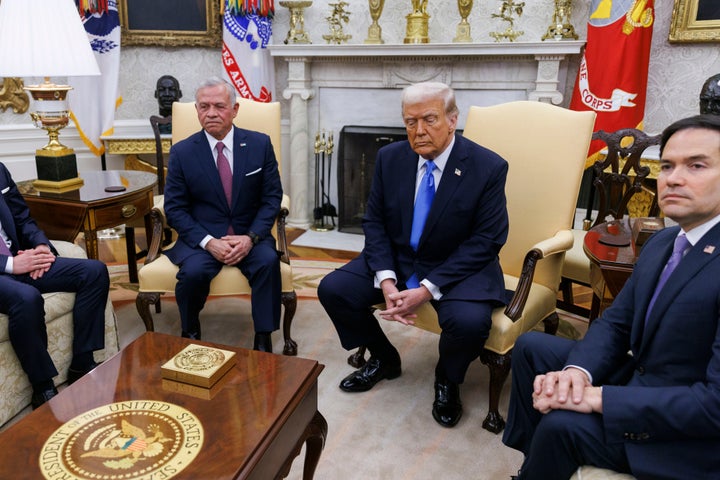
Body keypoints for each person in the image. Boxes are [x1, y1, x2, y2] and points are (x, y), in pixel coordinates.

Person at [502, 114, 720, 479]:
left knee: (562, 424)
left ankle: (545, 456)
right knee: (531, 348)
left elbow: (714, 406)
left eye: (696, 165)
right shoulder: (664, 241)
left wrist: (596, 399)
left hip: (686, 429)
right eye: (667, 166)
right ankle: (535, 461)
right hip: (645, 374)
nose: (674, 178)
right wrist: (577, 374)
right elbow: (617, 324)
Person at [318, 82, 509, 428]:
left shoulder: (487, 167)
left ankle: (447, 380)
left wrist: (426, 288)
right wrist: (386, 278)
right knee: (334, 289)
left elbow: (487, 239)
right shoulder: (390, 158)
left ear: (452, 120)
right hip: (401, 258)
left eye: (429, 119)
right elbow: (374, 221)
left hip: (458, 266)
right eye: (410, 122)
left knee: (469, 323)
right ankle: (384, 357)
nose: (418, 131)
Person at [162, 77, 282, 352]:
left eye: (219, 106)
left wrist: (250, 238)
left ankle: (263, 337)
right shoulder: (182, 152)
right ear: (197, 110)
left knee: (267, 263)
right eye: (204, 106)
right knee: (191, 274)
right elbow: (175, 208)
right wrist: (208, 242)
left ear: (235, 109)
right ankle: (190, 331)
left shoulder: (259, 144)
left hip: (249, 234)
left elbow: (272, 197)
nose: (211, 113)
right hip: (203, 239)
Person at [0, 162, 109, 409]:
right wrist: (10, 264)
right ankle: (43, 387)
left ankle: (82, 363)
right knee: (27, 298)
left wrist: (40, 246)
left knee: (94, 271)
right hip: (7, 267)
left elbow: (22, 216)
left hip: (20, 258)